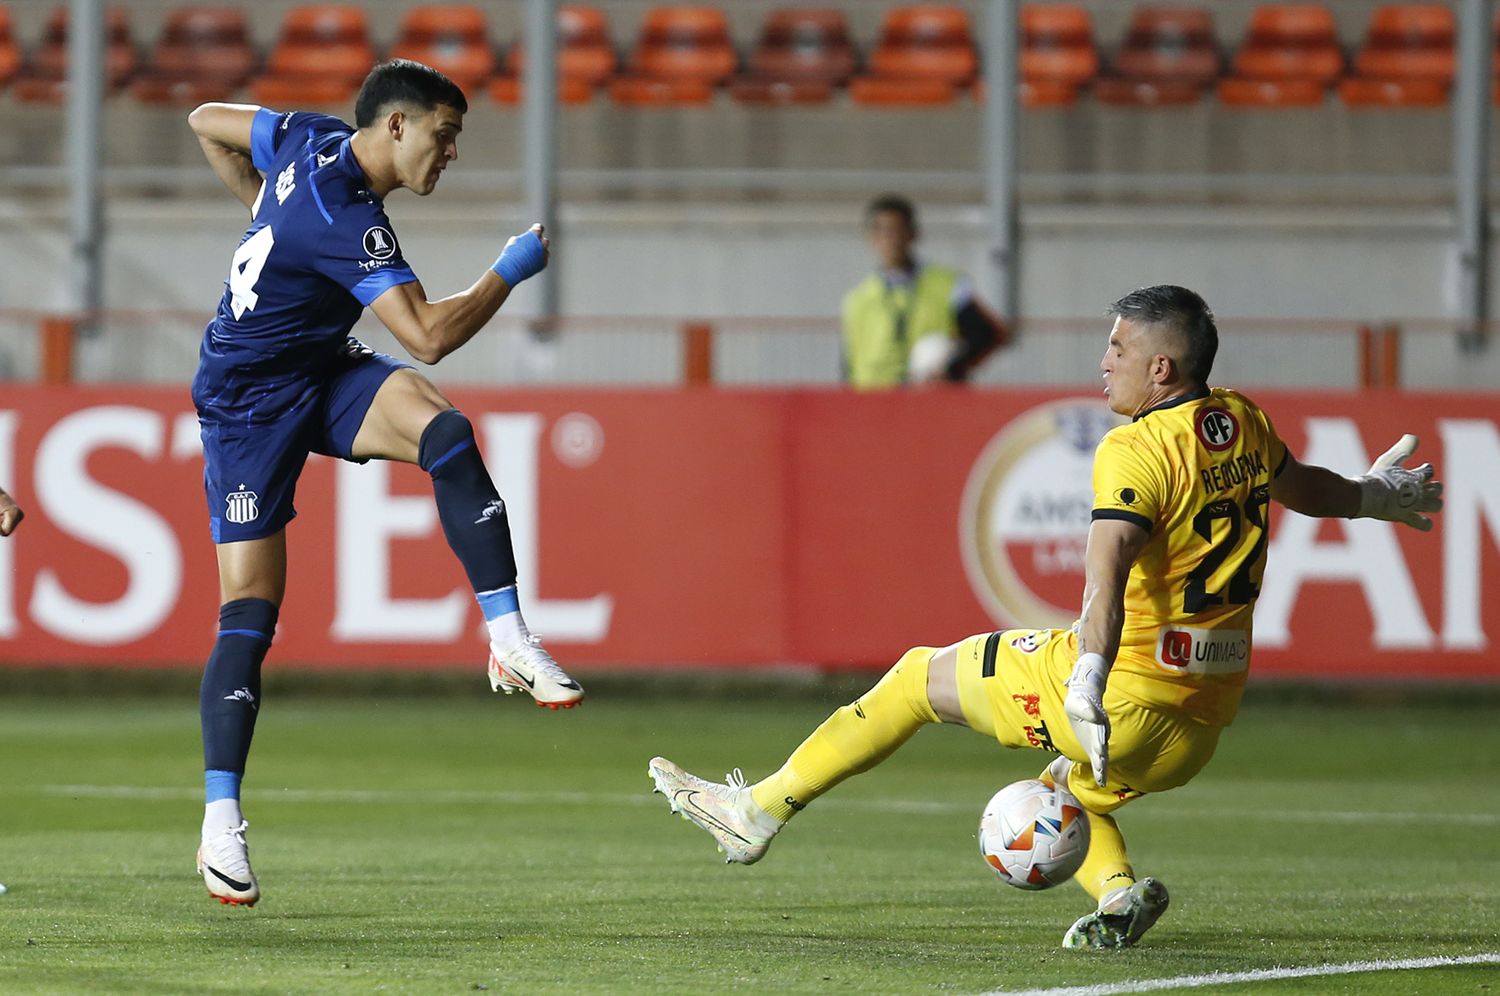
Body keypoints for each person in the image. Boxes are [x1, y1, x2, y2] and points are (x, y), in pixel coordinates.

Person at [650, 285, 1443, 949]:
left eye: (1119, 350)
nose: (1104, 363)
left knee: (916, 679)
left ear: (1160, 368)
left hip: (1122, 692)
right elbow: (1309, 488)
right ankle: (1117, 897)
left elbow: (1105, 574)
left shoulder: (1134, 450)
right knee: (1068, 791)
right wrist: (1381, 495)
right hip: (1202, 722)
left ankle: (754, 813)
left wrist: (1085, 685)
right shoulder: (1238, 420)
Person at [187, 60, 584, 908]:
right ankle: (221, 819)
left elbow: (203, 119)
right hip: (247, 404)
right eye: (444, 137)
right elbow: (431, 335)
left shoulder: (304, 135)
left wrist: (261, 206)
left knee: (445, 431)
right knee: (250, 614)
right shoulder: (347, 216)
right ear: (397, 127)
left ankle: (508, 638)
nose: (449, 156)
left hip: (317, 368)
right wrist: (508, 270)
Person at [841, 194, 1008, 389]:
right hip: (874, 405)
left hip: (929, 402)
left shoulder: (948, 285)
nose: (891, 239)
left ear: (914, 233)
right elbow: (848, 366)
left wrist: (952, 368)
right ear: (871, 238)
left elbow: (989, 334)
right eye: (883, 231)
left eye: (898, 230)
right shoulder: (857, 300)